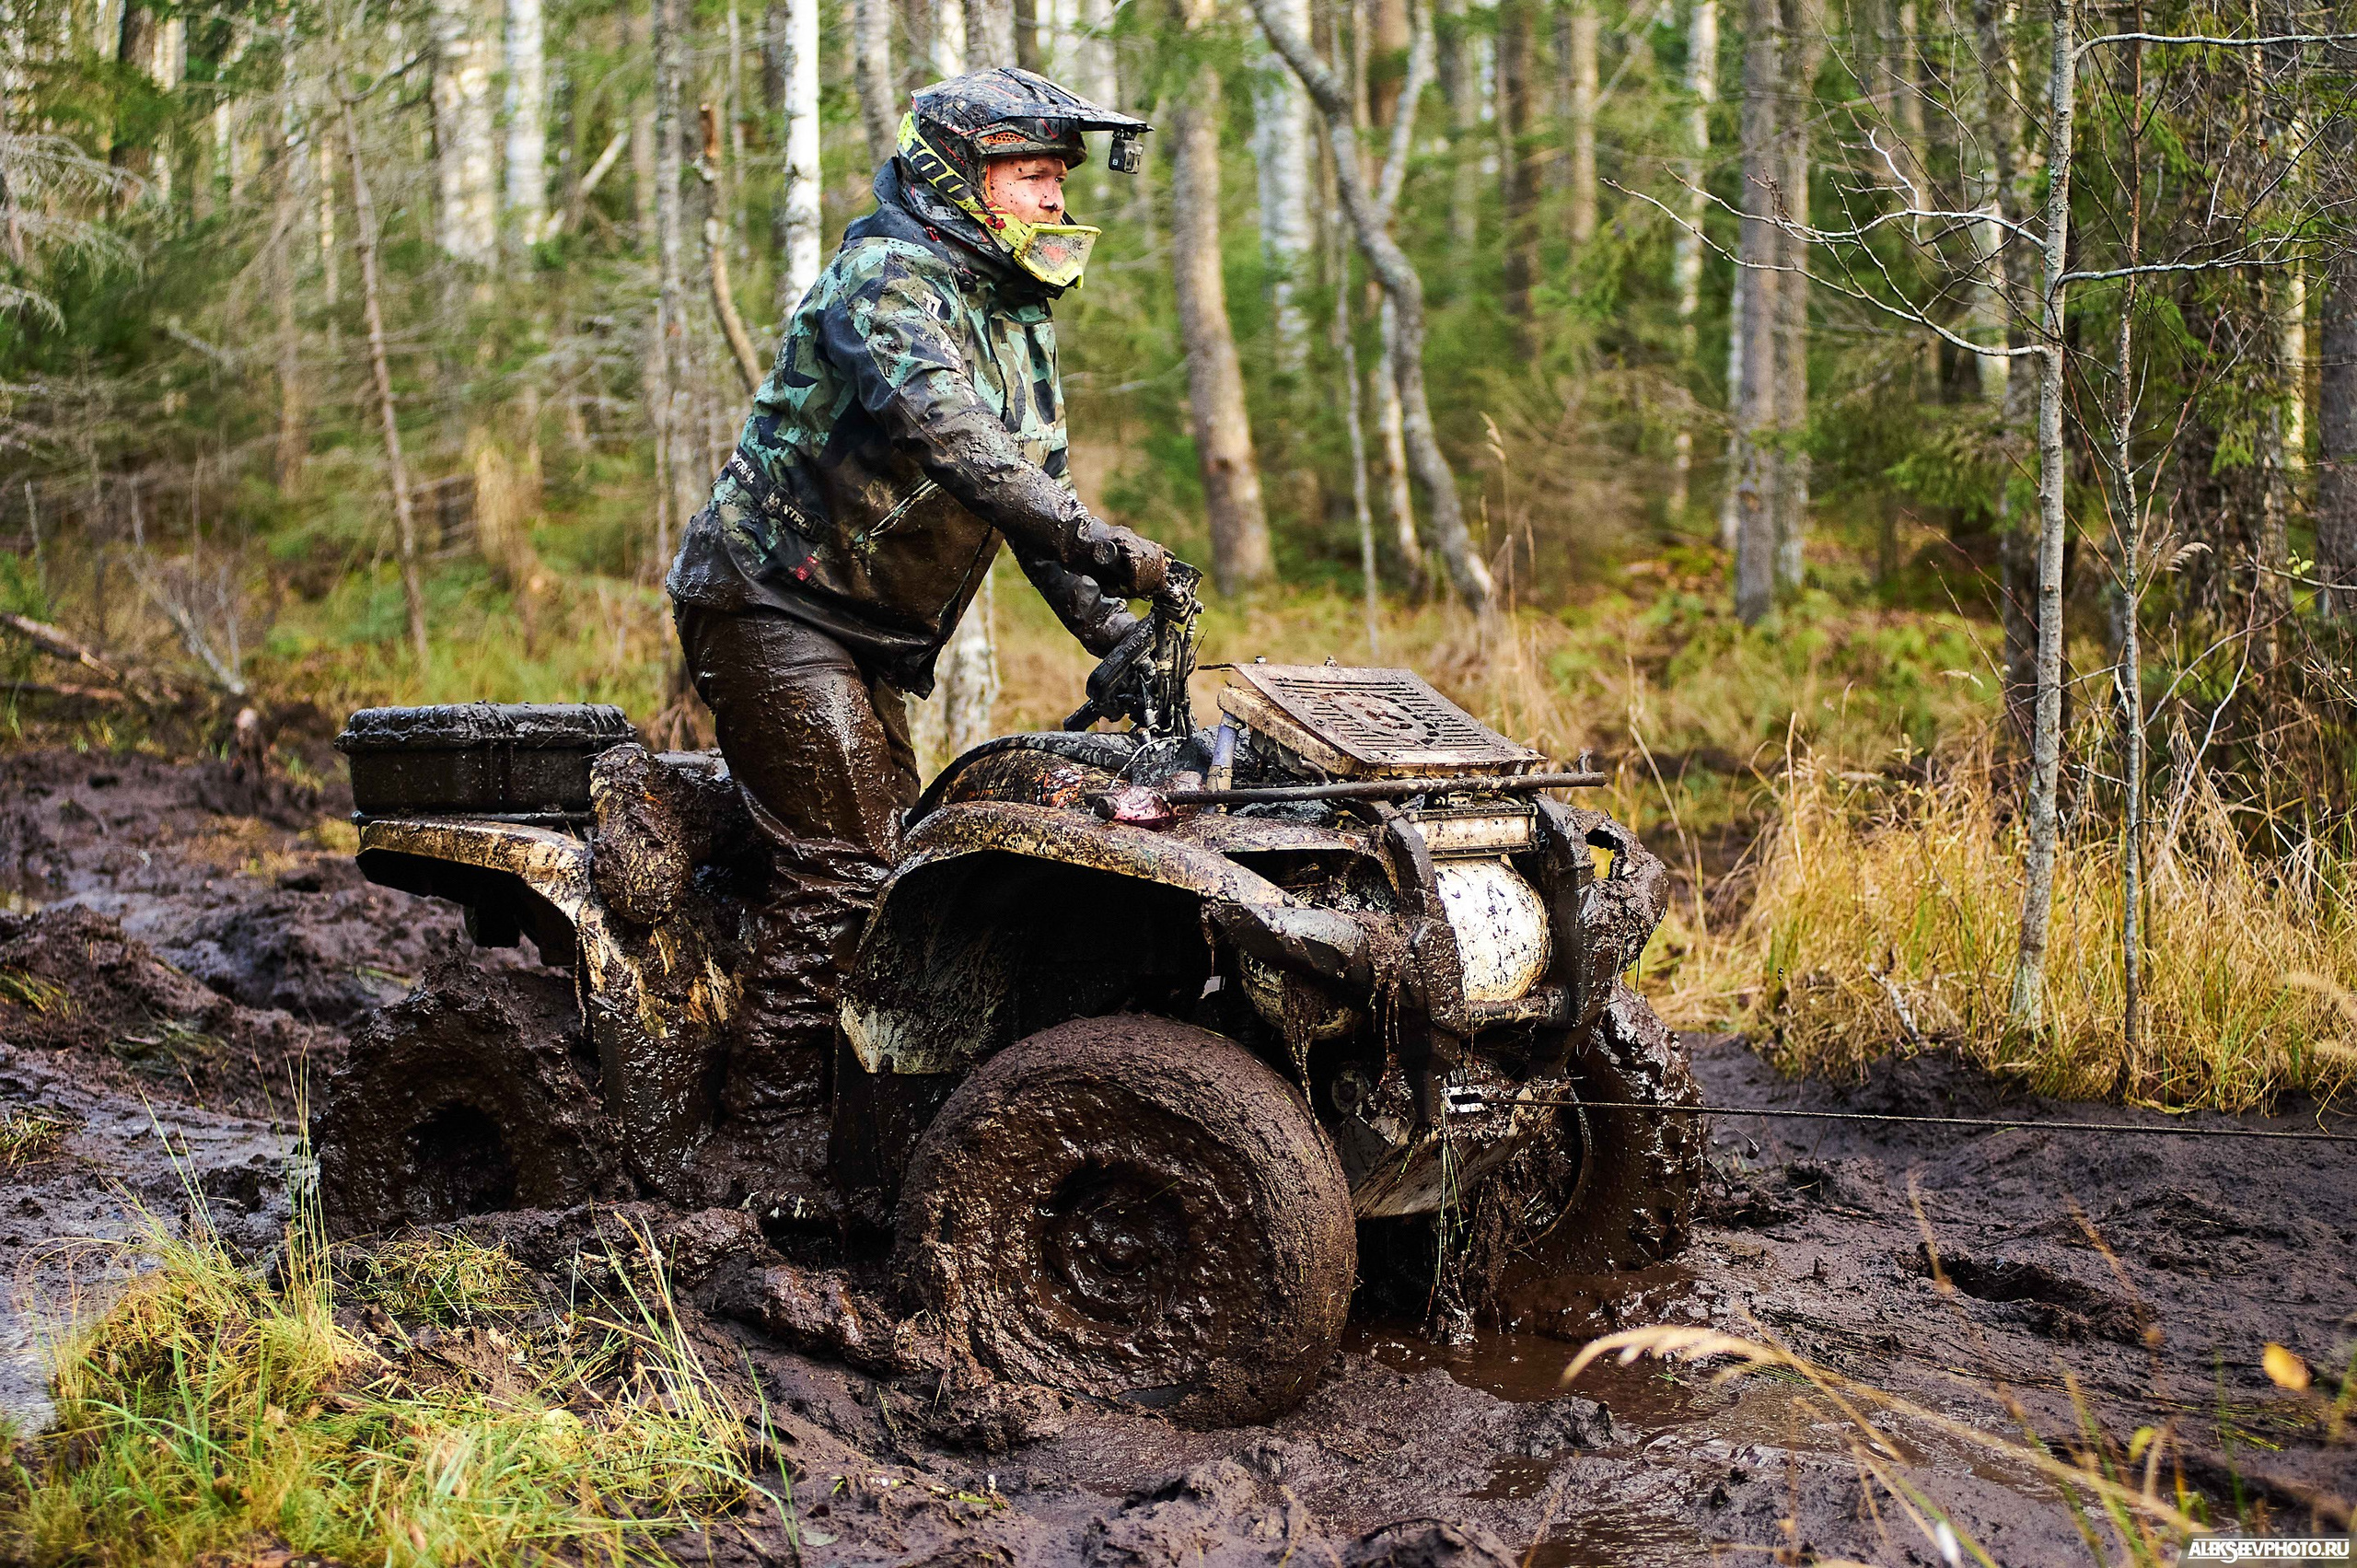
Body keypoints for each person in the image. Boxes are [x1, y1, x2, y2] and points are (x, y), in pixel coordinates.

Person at [664, 66, 1182, 1153]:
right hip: (772, 601)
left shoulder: (1015, 313)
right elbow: (962, 450)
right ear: (960, 178)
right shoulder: (886, 281)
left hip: (864, 634)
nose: (1053, 199)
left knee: (887, 862)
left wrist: (1119, 636)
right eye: (1030, 176)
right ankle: (760, 1133)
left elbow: (1030, 501)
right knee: (847, 861)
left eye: (1057, 178)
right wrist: (1105, 543)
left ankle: (740, 960)